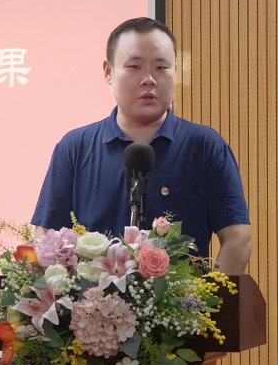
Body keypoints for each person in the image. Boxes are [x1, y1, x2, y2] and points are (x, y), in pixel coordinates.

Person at [31, 17, 251, 275]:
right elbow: (46, 236)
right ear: (108, 72)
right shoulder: (75, 147)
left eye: (161, 67)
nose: (149, 79)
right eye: (134, 66)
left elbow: (238, 239)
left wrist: (206, 297)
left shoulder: (204, 146)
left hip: (185, 300)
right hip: (91, 301)